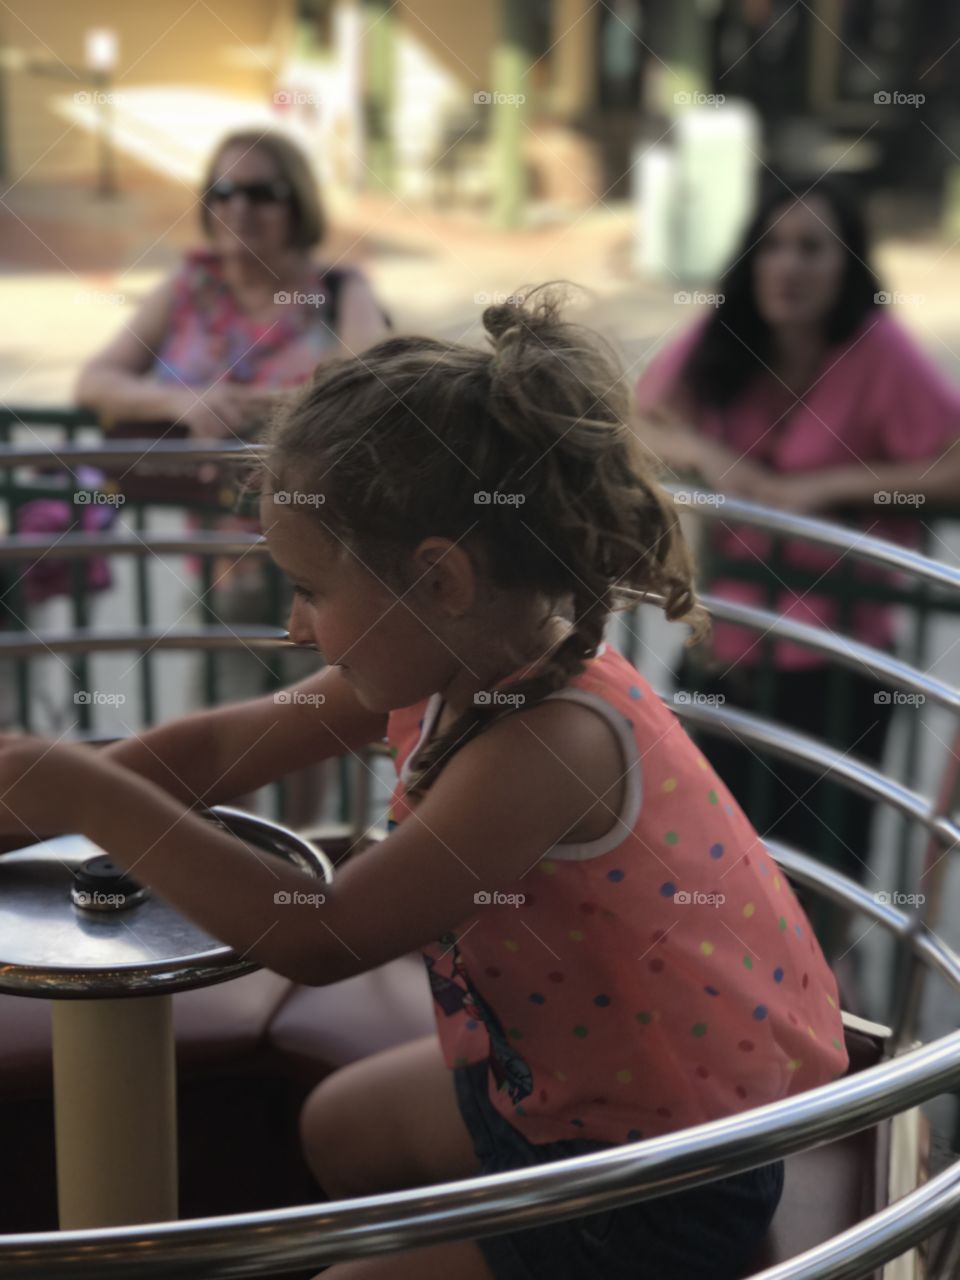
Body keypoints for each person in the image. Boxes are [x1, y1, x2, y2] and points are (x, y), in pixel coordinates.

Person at [0, 290, 848, 1280]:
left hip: (652, 1184)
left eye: (310, 590)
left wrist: (88, 795)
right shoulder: (459, 658)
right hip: (551, 1092)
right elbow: (213, 748)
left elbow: (325, 933)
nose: (295, 628)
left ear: (437, 578)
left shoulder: (552, 742)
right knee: (341, 1126)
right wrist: (38, 804)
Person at [634, 177, 960, 950]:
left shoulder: (876, 349)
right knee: (697, 868)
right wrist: (718, 462)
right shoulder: (722, 337)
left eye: (813, 247)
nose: (789, 266)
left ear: (848, 262)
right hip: (723, 652)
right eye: (773, 245)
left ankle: (819, 1045)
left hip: (839, 667)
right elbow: (634, 420)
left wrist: (827, 486)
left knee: (820, 886)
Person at [76, 128, 390, 821]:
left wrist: (283, 406)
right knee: (227, 727)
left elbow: (377, 385)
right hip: (223, 560)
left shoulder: (338, 291)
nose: (239, 209)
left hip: (330, 557)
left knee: (317, 725)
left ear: (297, 203)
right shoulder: (190, 286)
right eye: (223, 191)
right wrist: (182, 403)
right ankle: (241, 866)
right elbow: (96, 381)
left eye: (262, 192)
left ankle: (311, 871)